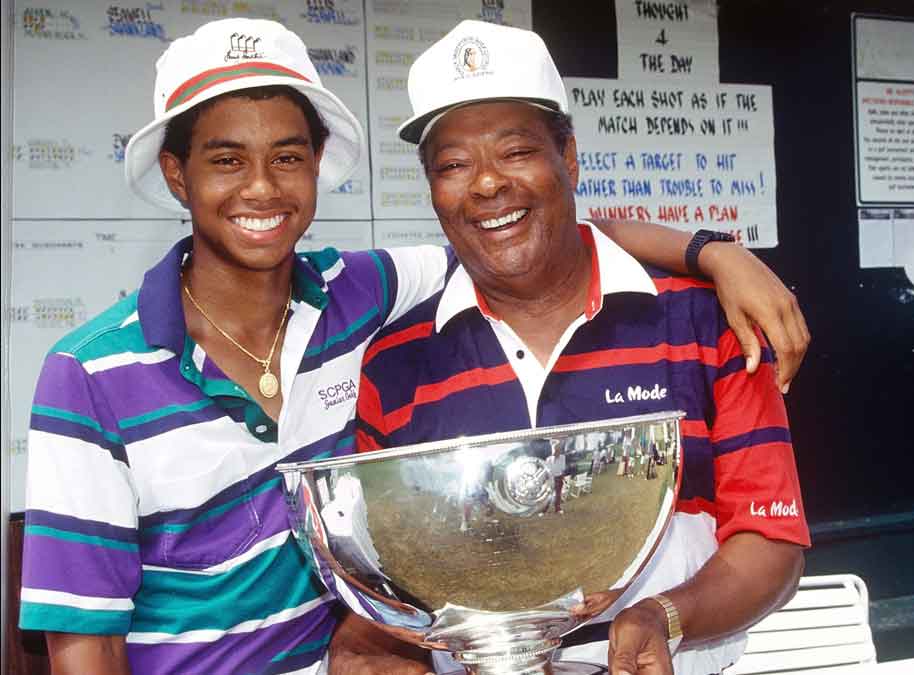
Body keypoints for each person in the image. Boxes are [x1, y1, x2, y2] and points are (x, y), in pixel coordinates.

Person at [17, 18, 811, 675]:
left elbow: (536, 235)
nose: (261, 187)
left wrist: (714, 252)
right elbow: (84, 642)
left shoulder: (359, 297)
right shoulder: (89, 374)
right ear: (178, 174)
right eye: (226, 160)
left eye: (286, 156)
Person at [356, 20, 810, 675]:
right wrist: (368, 648)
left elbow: (772, 538)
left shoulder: (706, 318)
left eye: (514, 151)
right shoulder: (396, 364)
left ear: (568, 158)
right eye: (452, 164)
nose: (485, 184)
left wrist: (664, 616)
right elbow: (382, 580)